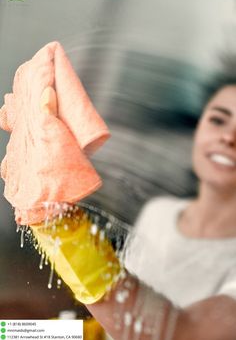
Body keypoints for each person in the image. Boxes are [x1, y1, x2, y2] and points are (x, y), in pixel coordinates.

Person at [86, 82, 236, 340]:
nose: (228, 137)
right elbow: (118, 321)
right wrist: (25, 331)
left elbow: (181, 332)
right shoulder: (158, 213)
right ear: (198, 129)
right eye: (218, 120)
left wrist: (66, 239)